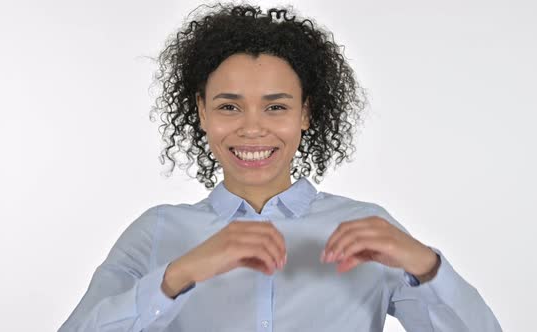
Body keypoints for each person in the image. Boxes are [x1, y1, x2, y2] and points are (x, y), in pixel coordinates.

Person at [59, 3, 502, 331]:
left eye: (276, 107)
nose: (252, 129)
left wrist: (425, 266)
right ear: (201, 111)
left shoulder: (365, 230)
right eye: (229, 106)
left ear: (306, 113)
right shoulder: (155, 233)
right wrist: (179, 275)